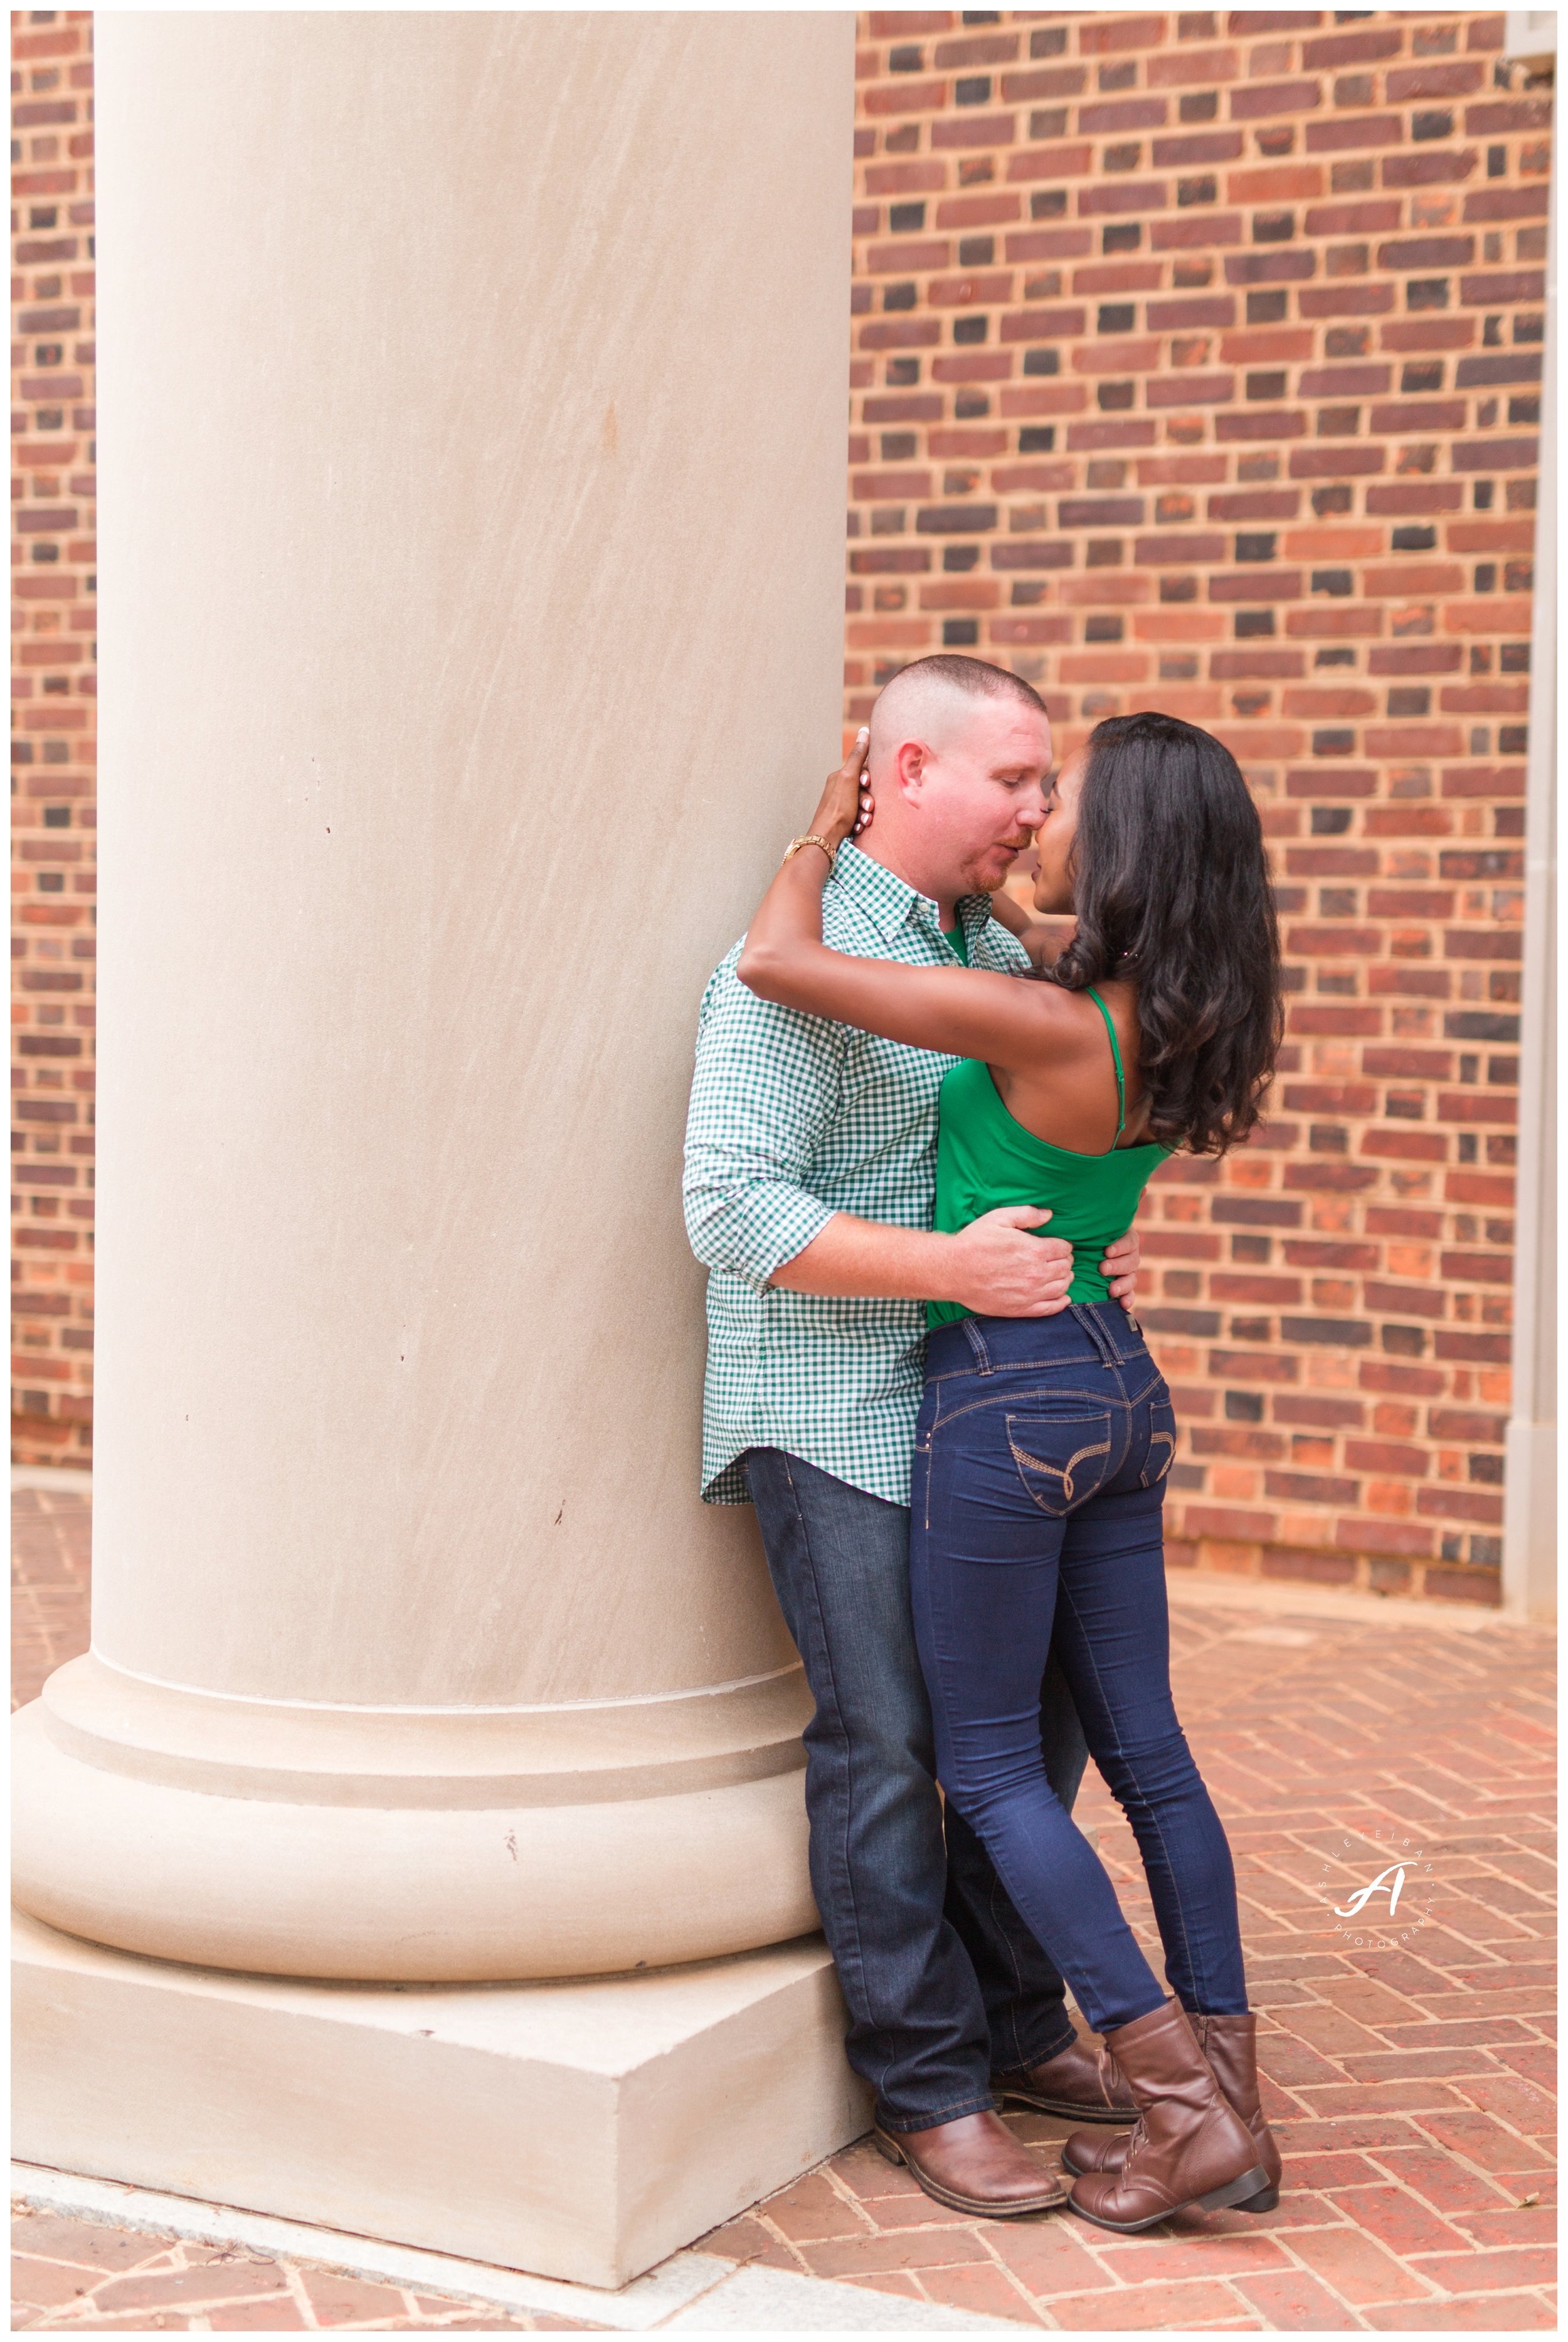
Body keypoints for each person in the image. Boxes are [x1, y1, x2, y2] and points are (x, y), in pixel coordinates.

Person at [738, 682, 1286, 2236]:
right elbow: (1034, 932)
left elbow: (779, 962)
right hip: (1119, 1379)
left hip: (1007, 1394)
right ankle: (1229, 2096)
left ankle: (1173, 2102)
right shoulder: (1166, 1008)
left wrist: (828, 814)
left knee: (981, 1767)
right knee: (1151, 1758)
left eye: (1070, 802)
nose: (1043, 818)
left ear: (1123, 855)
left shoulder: (1039, 1017)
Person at [682, 657, 1143, 2220]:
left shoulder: (980, 947)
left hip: (974, 1401)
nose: (1037, 809)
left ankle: (1016, 2016)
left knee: (1042, 1719)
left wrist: (1065, 1242)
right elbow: (726, 1207)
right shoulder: (786, 966)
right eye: (1012, 778)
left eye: (1044, 781)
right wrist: (952, 1264)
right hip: (827, 1406)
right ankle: (928, 2081)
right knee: (886, 1740)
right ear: (904, 772)